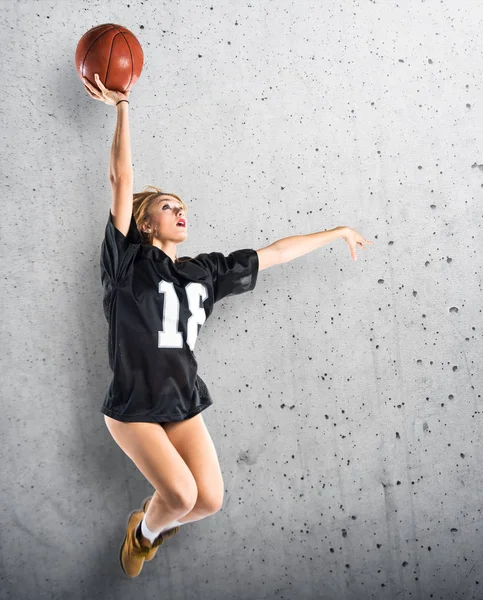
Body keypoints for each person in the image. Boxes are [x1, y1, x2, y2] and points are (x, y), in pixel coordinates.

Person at [82, 73, 373, 578]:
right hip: (132, 406)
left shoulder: (205, 271)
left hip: (182, 400)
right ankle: (143, 532)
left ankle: (153, 521)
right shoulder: (125, 262)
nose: (181, 212)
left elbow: (276, 252)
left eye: (185, 208)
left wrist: (337, 231)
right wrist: (122, 105)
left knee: (209, 501)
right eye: (169, 206)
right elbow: (121, 179)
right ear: (145, 222)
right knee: (181, 494)